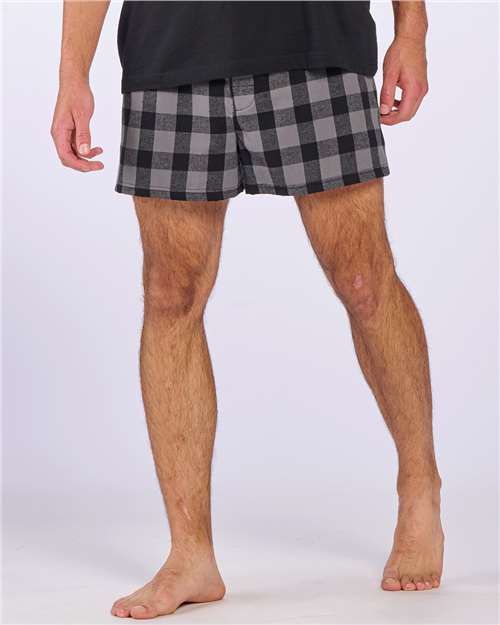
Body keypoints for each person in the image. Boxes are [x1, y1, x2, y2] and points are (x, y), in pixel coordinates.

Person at [51, 1, 444, 619]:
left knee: (364, 279)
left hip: (316, 43)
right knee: (170, 295)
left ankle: (419, 484)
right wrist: (72, 71)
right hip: (169, 51)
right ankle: (190, 555)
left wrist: (411, 31)